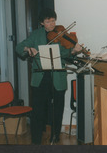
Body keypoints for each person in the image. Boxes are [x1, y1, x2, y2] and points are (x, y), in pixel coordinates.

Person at [16, 8, 82, 145]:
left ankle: (55, 136)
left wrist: (73, 51)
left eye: (53, 20)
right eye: (48, 21)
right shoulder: (35, 35)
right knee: (38, 111)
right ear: (41, 23)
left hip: (57, 76)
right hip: (40, 78)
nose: (52, 24)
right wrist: (28, 49)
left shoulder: (60, 34)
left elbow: (65, 54)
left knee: (57, 110)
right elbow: (19, 47)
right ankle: (36, 140)